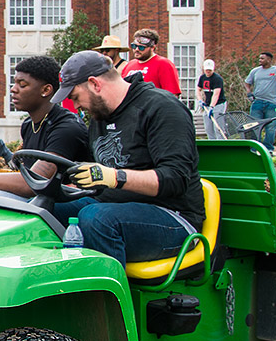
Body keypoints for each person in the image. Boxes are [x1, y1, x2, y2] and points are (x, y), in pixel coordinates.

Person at [48, 50, 205, 267]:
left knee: (96, 219)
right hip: (112, 205)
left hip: (174, 217)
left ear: (95, 84)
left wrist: (115, 177)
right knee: (43, 210)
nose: (76, 107)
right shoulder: (100, 116)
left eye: (75, 97)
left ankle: (107, 299)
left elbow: (175, 178)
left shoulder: (162, 108)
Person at [0, 56, 91, 199]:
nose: (13, 89)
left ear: (46, 90)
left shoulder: (67, 127)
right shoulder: (28, 125)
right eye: (14, 83)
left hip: (61, 204)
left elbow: (34, 183)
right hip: (38, 198)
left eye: (22, 84)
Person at [120, 28, 181, 96]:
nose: (136, 49)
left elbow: (172, 95)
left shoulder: (164, 64)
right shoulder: (129, 65)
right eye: (134, 46)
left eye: (141, 47)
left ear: (152, 48)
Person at [244, 52, 276, 149]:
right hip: (257, 103)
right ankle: (255, 148)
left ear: (269, 60)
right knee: (254, 127)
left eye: (262, 58)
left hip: (272, 103)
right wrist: (249, 93)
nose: (260, 60)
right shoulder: (255, 71)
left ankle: (268, 149)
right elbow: (247, 83)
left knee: (271, 128)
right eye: (259, 58)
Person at [197, 59, 227, 139]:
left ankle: (221, 146)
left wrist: (212, 107)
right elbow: (198, 89)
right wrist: (200, 100)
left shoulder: (217, 79)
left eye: (210, 70)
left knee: (218, 128)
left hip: (218, 105)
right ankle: (212, 144)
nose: (208, 72)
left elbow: (216, 95)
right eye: (206, 70)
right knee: (208, 128)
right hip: (207, 105)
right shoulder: (202, 78)